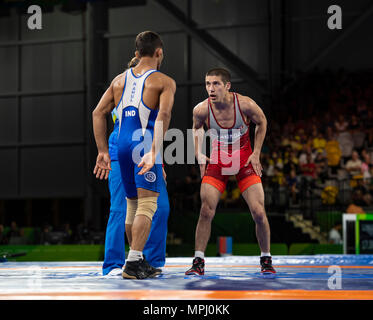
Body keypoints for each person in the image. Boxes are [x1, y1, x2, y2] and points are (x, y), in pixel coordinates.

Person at [92, 31, 176, 279]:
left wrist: (102, 151)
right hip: (142, 144)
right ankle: (129, 262)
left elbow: (98, 113)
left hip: (120, 145)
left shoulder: (119, 81)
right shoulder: (163, 81)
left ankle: (137, 260)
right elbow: (164, 116)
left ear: (137, 53)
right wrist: (153, 152)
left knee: (132, 206)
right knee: (147, 205)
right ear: (159, 52)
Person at [186, 67, 276, 275]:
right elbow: (197, 127)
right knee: (206, 210)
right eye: (208, 83)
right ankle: (198, 262)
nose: (211, 88)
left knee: (259, 212)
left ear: (227, 86)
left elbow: (261, 122)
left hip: (244, 159)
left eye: (216, 83)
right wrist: (199, 153)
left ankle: (266, 259)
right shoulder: (201, 109)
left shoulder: (245, 104)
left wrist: (256, 154)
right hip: (218, 161)